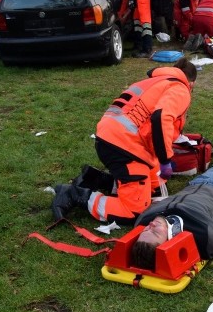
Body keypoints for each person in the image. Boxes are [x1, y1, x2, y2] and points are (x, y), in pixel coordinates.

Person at [51, 58, 197, 224]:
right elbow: (161, 118)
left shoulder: (157, 81)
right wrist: (165, 160)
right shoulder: (180, 89)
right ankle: (74, 194)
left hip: (113, 137)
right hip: (124, 145)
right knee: (135, 210)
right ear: (191, 84)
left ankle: (96, 179)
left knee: (155, 185)